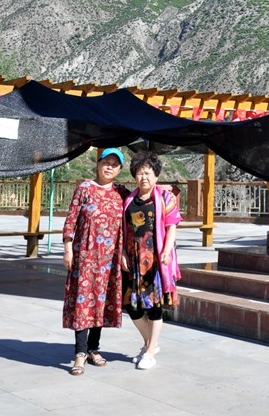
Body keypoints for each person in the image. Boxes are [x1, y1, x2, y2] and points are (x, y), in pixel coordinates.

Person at [62, 147, 127, 376]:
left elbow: (142, 200)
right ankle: (79, 352)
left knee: (101, 302)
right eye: (106, 162)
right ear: (98, 164)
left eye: (115, 164)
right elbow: (71, 220)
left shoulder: (121, 192)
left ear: (119, 169)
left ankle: (93, 348)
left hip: (110, 260)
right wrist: (68, 249)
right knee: (83, 302)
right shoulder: (85, 188)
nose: (109, 167)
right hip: (85, 256)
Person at [122, 150, 181, 370]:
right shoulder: (129, 199)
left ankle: (149, 352)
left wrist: (166, 251)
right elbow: (125, 230)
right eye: (139, 173)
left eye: (148, 172)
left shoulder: (165, 198)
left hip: (155, 259)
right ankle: (150, 344)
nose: (143, 177)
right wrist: (123, 253)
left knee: (154, 307)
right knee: (131, 306)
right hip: (133, 260)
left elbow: (171, 226)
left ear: (156, 175)